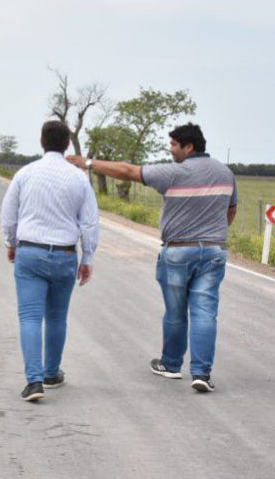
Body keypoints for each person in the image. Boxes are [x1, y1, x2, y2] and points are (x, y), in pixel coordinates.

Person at [67, 123, 236, 393]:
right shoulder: (225, 173)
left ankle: (171, 364)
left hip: (178, 250)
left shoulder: (173, 172)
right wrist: (213, 234)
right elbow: (231, 210)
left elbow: (127, 171)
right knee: (205, 313)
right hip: (214, 250)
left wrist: (88, 162)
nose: (170, 150)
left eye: (173, 145)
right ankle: (202, 373)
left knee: (176, 312)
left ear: (188, 147)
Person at [1, 120, 99, 402]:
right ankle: (51, 373)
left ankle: (33, 382)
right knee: (56, 317)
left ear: (42, 141)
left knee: (30, 317)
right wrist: (88, 257)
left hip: (30, 252)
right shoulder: (79, 178)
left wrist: (11, 243)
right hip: (66, 255)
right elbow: (89, 223)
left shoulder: (25, 173)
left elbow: (9, 215)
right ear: (68, 144)